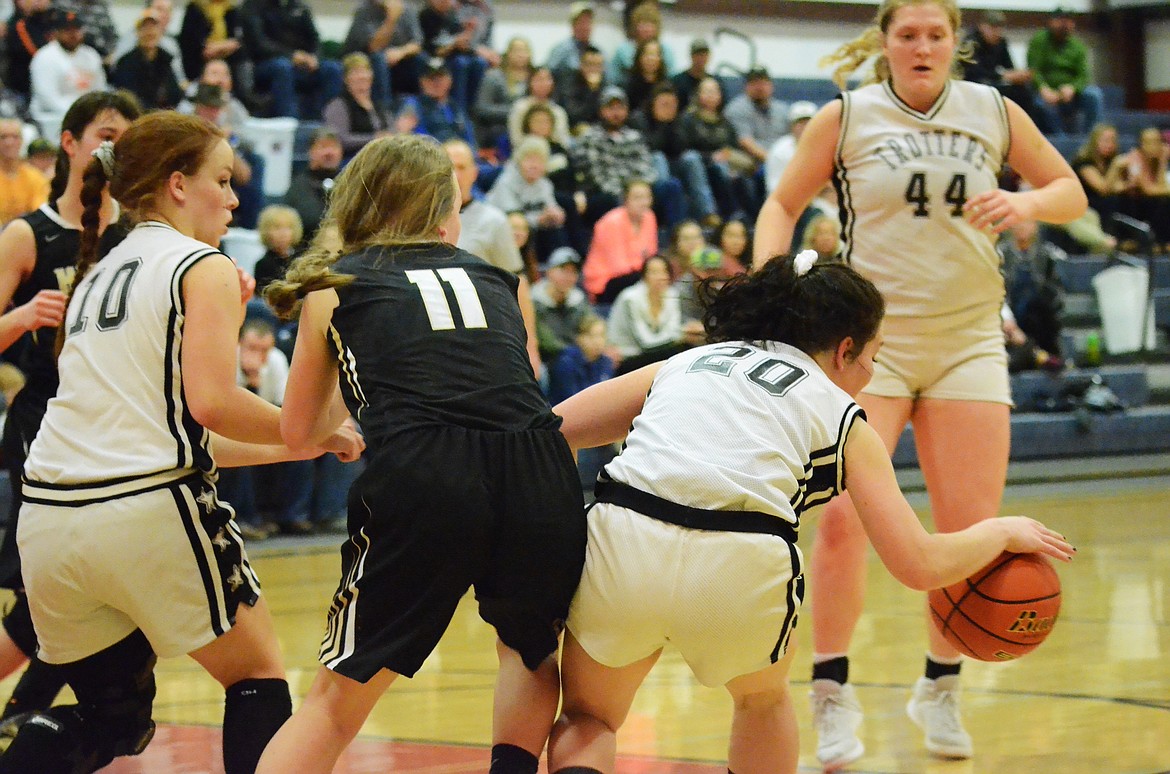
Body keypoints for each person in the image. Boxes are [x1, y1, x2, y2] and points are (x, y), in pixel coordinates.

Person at [544, 254, 1076, 774]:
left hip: (626, 538)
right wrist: (1002, 530)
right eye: (875, 355)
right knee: (762, 704)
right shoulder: (842, 414)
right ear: (845, 350)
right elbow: (917, 564)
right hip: (741, 560)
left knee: (591, 718)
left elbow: (551, 430)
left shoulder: (689, 362)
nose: (872, 372)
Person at [752, 0, 1086, 767]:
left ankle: (940, 686)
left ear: (955, 43)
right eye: (908, 33)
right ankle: (831, 693)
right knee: (839, 524)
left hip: (970, 338)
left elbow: (1069, 189)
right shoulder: (847, 116)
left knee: (967, 533)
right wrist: (771, 277)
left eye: (937, 33)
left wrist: (1027, 200)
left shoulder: (994, 110)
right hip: (871, 346)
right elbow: (781, 201)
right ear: (887, 43)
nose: (923, 45)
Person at [0, 110, 363, 774]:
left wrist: (298, 445)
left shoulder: (93, 275)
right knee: (256, 674)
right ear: (176, 184)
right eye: (221, 181)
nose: (232, 198)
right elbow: (213, 404)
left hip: (48, 520)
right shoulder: (201, 265)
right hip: (142, 509)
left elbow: (171, 429)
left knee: (111, 719)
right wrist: (303, 424)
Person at [254, 133, 586, 774]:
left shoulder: (337, 282)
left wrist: (338, 427)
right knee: (528, 653)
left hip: (428, 469)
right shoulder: (501, 281)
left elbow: (298, 433)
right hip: (538, 466)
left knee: (335, 700)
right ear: (443, 212)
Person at [0, 90, 141, 747]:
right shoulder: (29, 234)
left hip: (118, 431)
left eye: (126, 140)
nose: (115, 150)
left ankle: (23, 720)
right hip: (45, 427)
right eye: (105, 135)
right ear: (69, 143)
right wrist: (25, 316)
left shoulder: (139, 237)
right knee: (46, 601)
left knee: (93, 598)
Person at [445, 138, 542, 376]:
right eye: (449, 167)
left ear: (474, 173)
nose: (455, 175)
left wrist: (530, 346)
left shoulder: (494, 221)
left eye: (461, 167)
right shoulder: (419, 220)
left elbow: (518, 284)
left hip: (483, 336)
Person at [240, 0, 343, 119]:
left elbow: (315, 39)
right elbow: (259, 43)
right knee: (283, 67)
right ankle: (291, 123)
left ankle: (327, 123)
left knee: (332, 68)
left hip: (302, 62)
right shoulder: (253, 6)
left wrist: (314, 57)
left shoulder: (299, 6)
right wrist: (291, 55)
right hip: (265, 64)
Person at [29, 10, 106, 141]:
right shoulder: (45, 57)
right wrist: (79, 113)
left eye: (77, 30)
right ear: (56, 33)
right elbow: (48, 99)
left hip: (88, 116)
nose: (73, 35)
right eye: (67, 30)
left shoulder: (91, 55)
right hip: (51, 118)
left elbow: (100, 90)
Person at [1025, 8, 1103, 136]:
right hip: (1045, 91)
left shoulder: (1078, 46)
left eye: (1068, 21)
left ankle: (1090, 137)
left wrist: (1073, 88)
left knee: (1094, 95)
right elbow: (1033, 70)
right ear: (1051, 22)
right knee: (1040, 103)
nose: (1064, 25)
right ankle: (1061, 139)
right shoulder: (1039, 40)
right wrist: (1043, 88)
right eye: (1060, 20)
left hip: (1069, 92)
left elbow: (1083, 76)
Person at [582, 178, 657, 303]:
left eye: (647, 197)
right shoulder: (611, 222)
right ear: (625, 200)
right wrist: (647, 273)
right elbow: (618, 267)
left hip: (637, 276)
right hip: (605, 282)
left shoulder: (650, 217)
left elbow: (651, 255)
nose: (644, 202)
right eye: (638, 198)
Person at [342, 0, 425, 108]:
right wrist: (391, 19)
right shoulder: (363, 10)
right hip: (366, 59)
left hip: (398, 58)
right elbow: (374, 46)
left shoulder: (407, 8)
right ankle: (384, 111)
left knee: (421, 60)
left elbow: (417, 43)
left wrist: (400, 52)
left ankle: (423, 109)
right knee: (379, 59)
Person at [323, 52, 395, 158]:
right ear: (345, 78)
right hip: (353, 161)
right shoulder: (338, 105)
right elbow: (340, 139)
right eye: (356, 72)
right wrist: (374, 138)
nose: (362, 76)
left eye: (365, 71)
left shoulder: (379, 106)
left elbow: (390, 132)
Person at [110, 9, 184, 111]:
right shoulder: (125, 63)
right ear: (137, 33)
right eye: (145, 28)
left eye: (153, 27)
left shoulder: (167, 59)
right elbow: (127, 97)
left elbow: (174, 94)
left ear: (161, 32)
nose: (150, 32)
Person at [0, 117, 49, 226]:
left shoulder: (35, 177)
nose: (9, 142)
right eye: (3, 137)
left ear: (22, 141)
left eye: (15, 137)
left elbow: (40, 213)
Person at [545, 0, 600, 78]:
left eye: (588, 22)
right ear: (573, 25)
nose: (585, 27)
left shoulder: (598, 52)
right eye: (581, 22)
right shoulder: (561, 51)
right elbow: (546, 77)